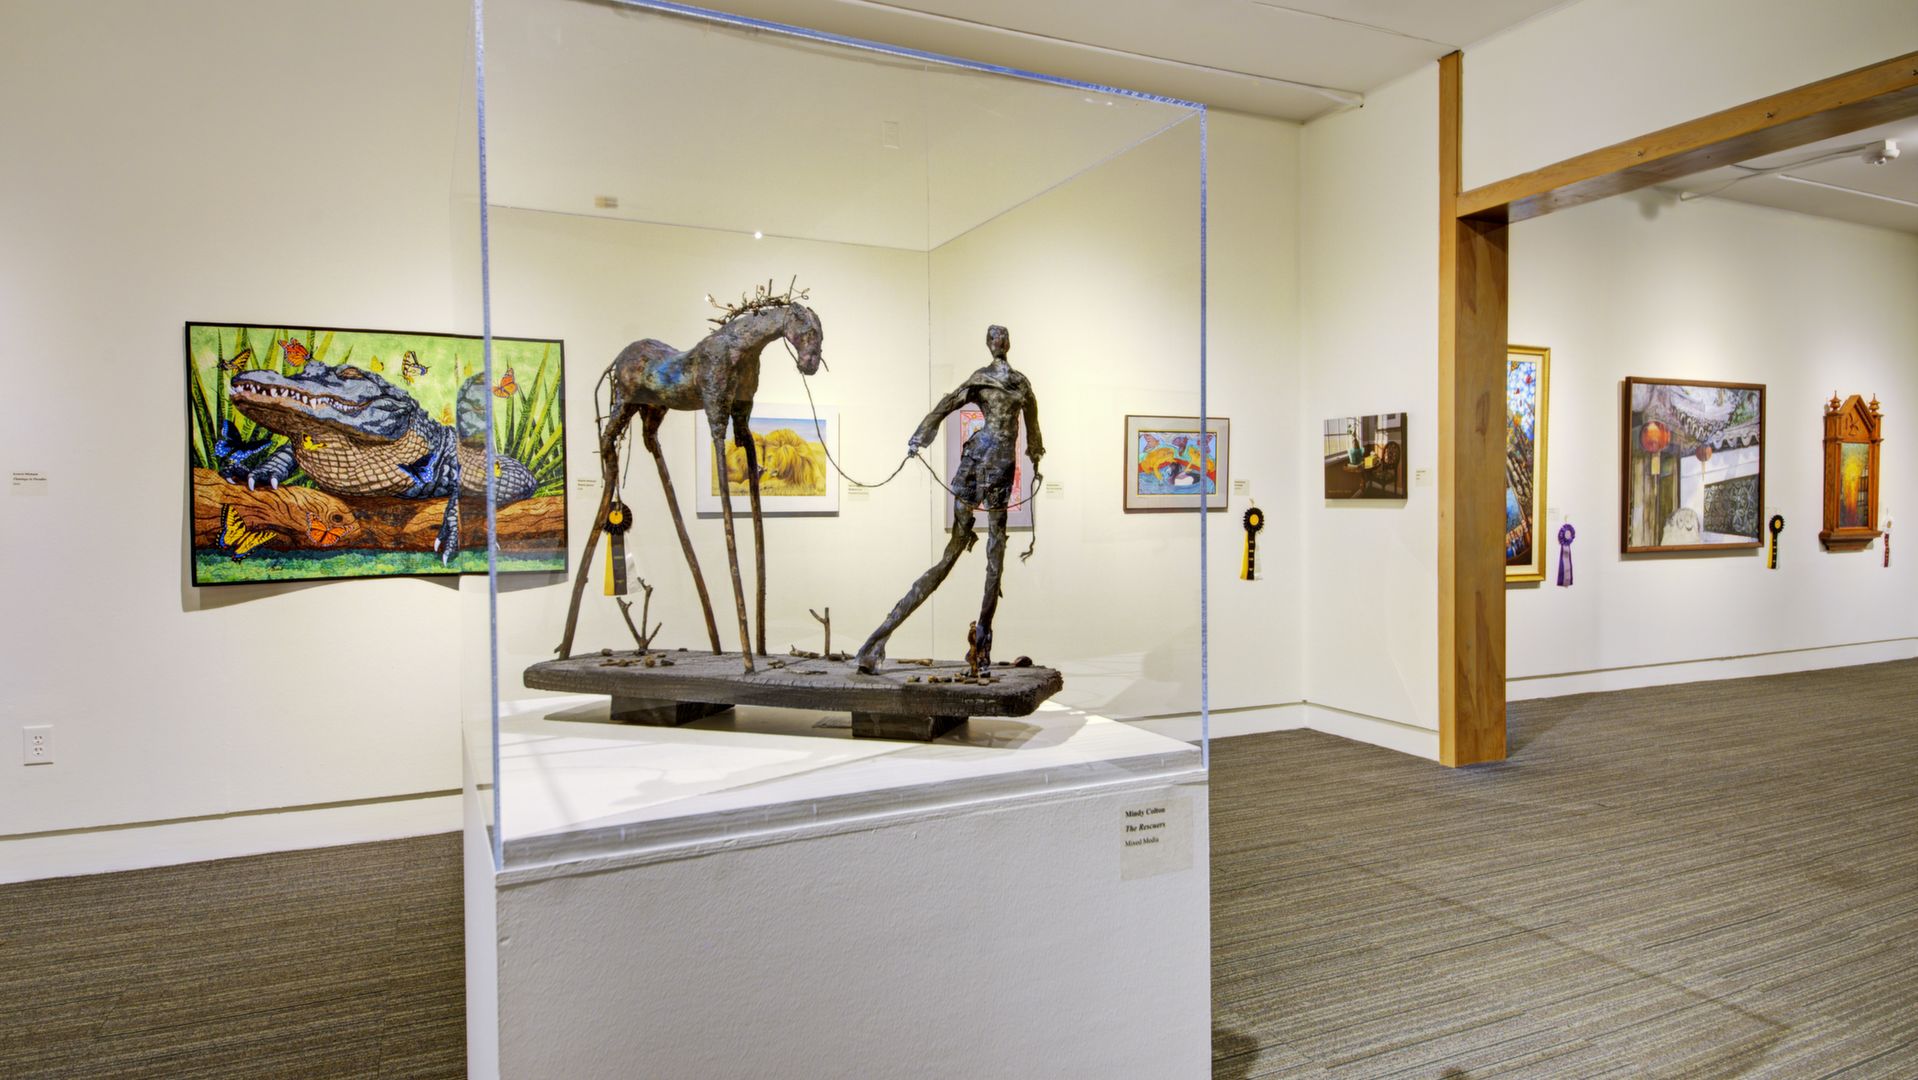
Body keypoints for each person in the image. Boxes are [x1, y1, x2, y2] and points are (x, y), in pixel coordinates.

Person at [856, 324, 1043, 674]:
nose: (999, 342)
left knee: (995, 560)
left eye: (1002, 337)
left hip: (1002, 471)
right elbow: (947, 405)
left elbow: (1033, 429)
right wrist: (919, 437)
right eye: (993, 338)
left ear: (1008, 342)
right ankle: (877, 639)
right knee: (951, 557)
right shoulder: (981, 379)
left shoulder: (1021, 384)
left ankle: (982, 647)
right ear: (989, 343)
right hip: (975, 466)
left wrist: (1036, 454)